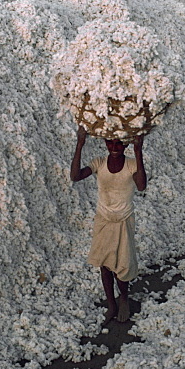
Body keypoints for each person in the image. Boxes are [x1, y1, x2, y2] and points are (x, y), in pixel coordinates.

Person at [70, 125, 147, 323]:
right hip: (103, 219)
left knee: (121, 264)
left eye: (120, 143)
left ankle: (124, 299)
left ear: (127, 144)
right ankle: (111, 303)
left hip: (123, 220)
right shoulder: (99, 163)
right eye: (111, 142)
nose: (115, 146)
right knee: (104, 264)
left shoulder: (131, 165)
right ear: (105, 143)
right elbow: (75, 176)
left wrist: (138, 152)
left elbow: (141, 185)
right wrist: (80, 143)